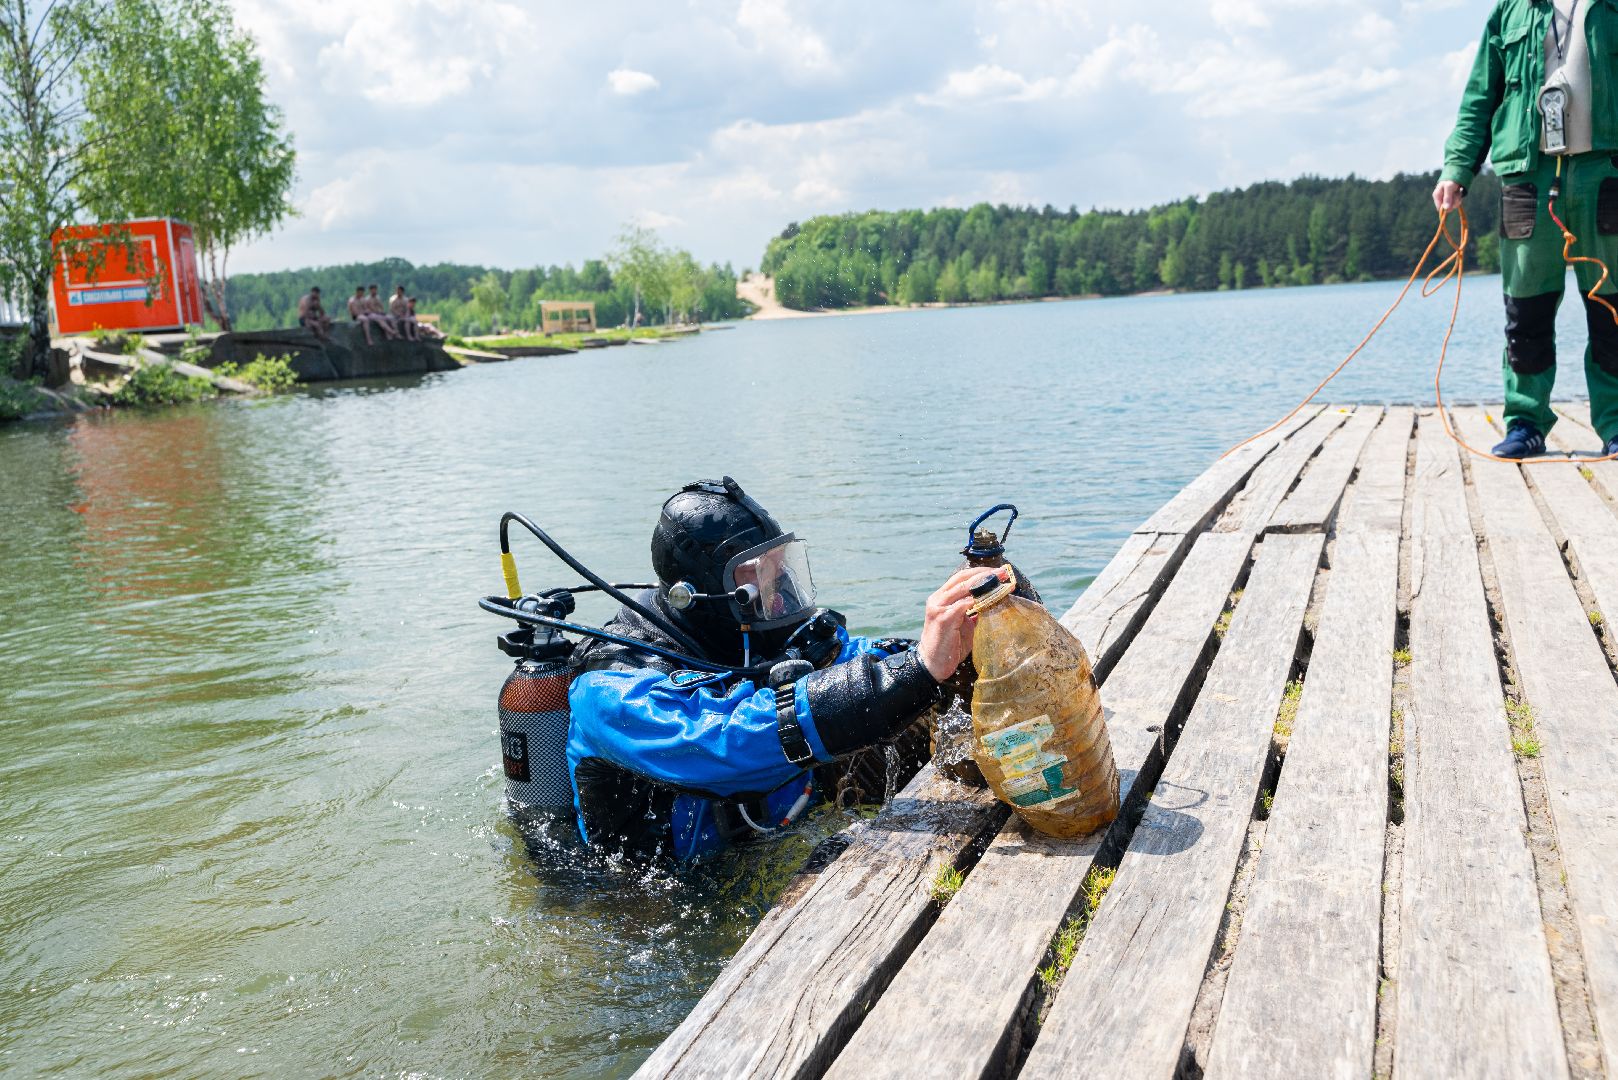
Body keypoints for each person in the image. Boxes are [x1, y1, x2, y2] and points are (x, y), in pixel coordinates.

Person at [565, 477, 998, 861]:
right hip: (655, 898)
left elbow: (842, 656)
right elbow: (723, 740)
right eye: (756, 575)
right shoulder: (611, 689)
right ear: (697, 593)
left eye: (777, 564)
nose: (775, 590)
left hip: (772, 831)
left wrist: (945, 647)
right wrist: (916, 670)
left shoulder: (757, 618)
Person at [1435, 0, 1618, 458]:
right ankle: (1525, 424)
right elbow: (1481, 95)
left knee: (1612, 306)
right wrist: (1457, 168)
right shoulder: (1510, 11)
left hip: (1605, 171)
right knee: (1526, 310)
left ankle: (1616, 425)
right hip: (1526, 178)